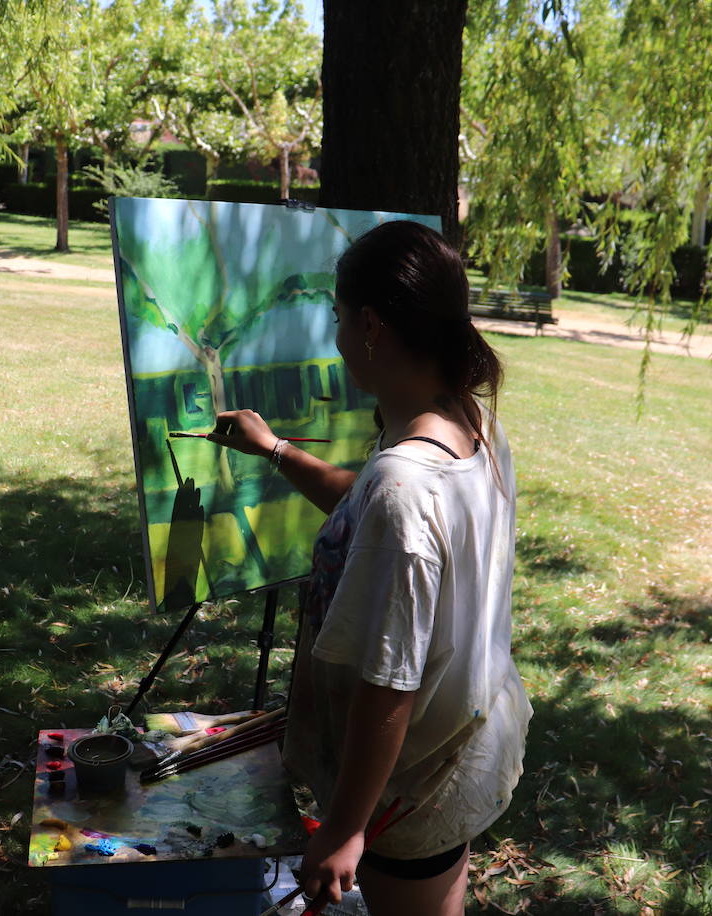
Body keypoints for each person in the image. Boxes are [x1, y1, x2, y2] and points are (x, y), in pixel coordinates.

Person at [209, 220, 533, 915]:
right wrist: (273, 450)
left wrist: (346, 828)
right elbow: (371, 517)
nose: (335, 335)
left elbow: (390, 680)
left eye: (336, 318)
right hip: (463, 739)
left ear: (371, 328)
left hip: (408, 785)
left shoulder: (403, 485)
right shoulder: (471, 422)